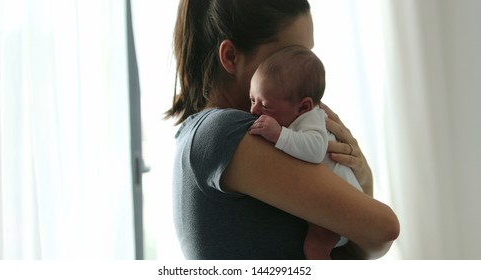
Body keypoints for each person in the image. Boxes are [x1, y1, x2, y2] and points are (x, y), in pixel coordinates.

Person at [166, 0, 399, 260]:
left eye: (306, 56)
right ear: (231, 57)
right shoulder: (224, 133)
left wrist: (361, 181)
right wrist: (364, 191)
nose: (302, 77)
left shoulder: (206, 137)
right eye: (289, 56)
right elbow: (383, 228)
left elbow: (361, 250)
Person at [248, 45, 363, 259]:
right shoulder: (295, 116)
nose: (254, 110)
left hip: (342, 207)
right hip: (332, 205)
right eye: (252, 99)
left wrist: (279, 135)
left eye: (265, 105)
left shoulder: (312, 119)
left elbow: (316, 151)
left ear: (303, 107)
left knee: (315, 249)